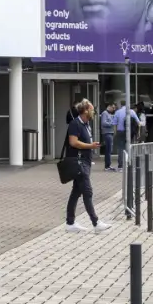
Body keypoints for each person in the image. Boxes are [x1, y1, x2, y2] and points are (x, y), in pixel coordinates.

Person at [63, 98, 111, 233]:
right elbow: (73, 142)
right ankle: (96, 223)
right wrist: (90, 146)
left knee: (76, 192)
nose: (94, 111)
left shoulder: (86, 124)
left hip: (85, 162)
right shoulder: (75, 124)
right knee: (87, 192)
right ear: (85, 110)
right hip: (79, 163)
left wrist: (91, 145)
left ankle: (70, 223)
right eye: (91, 109)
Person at [99, 102, 118, 171]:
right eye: (113, 107)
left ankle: (108, 165)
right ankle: (107, 166)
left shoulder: (109, 114)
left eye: (114, 108)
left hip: (109, 133)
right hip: (107, 133)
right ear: (109, 106)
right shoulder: (105, 113)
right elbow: (104, 123)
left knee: (109, 150)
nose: (113, 109)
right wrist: (112, 123)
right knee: (108, 150)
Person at [113, 99, 129, 167]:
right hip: (129, 132)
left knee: (120, 148)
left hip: (120, 132)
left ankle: (120, 164)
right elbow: (138, 122)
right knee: (129, 147)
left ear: (121, 104)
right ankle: (128, 163)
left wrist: (115, 133)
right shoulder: (130, 112)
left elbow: (114, 124)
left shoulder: (118, 112)